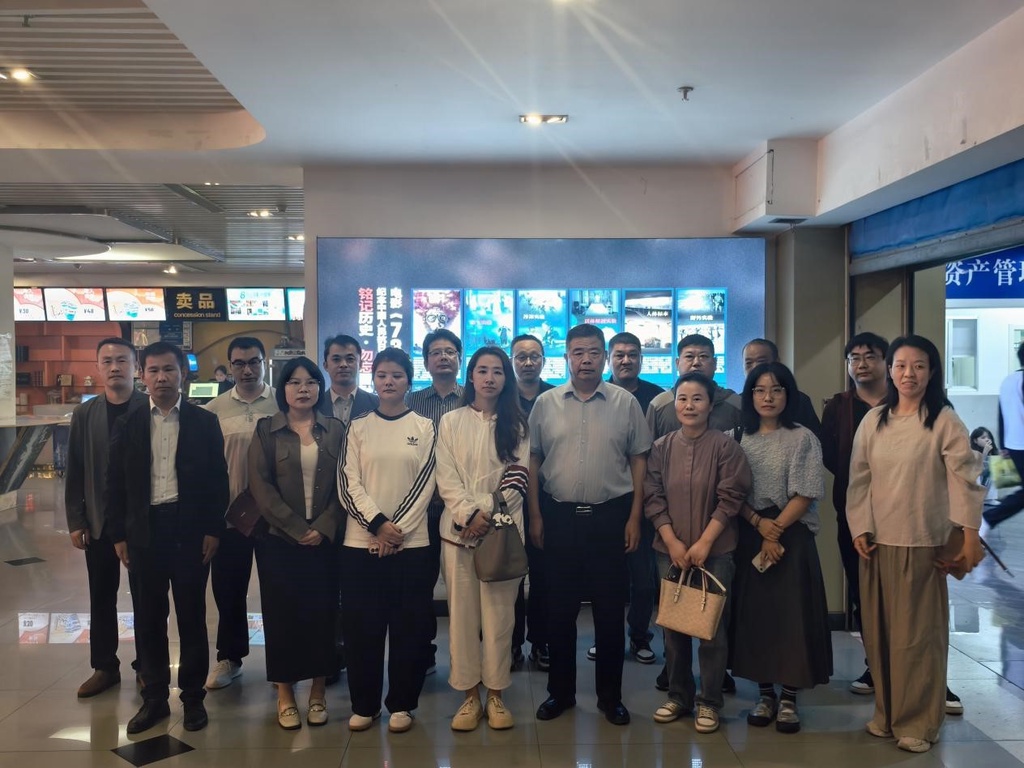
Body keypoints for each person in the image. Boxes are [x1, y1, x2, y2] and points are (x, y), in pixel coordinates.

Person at [847, 335, 985, 754]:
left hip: (923, 542)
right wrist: (860, 527)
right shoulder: (875, 420)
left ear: (932, 371)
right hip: (877, 542)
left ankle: (918, 723)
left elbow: (964, 480)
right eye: (901, 365)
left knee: (918, 639)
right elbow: (860, 479)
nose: (909, 374)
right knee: (880, 636)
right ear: (890, 370)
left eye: (919, 366)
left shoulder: (943, 420)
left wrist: (968, 535)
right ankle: (887, 714)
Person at [528, 323, 652, 726]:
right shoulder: (545, 403)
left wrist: (634, 516)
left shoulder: (625, 403)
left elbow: (638, 459)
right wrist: (536, 514)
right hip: (559, 517)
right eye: (578, 352)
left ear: (604, 357)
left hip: (610, 517)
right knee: (559, 612)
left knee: (609, 611)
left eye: (594, 352)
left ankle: (610, 698)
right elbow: (533, 459)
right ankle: (560, 693)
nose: (586, 360)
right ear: (566, 357)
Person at [107, 341, 229, 734]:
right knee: (148, 617)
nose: (162, 378)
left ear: (183, 374)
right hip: (144, 532)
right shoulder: (128, 423)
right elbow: (116, 483)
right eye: (154, 370)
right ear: (142, 375)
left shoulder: (203, 422)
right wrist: (119, 533)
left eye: (169, 370)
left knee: (192, 616)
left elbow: (218, 481)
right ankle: (155, 698)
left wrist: (213, 529)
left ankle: (193, 698)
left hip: (189, 529)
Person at [644, 371, 752, 734]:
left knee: (711, 630)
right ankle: (679, 695)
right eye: (682, 399)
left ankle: (709, 701)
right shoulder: (661, 448)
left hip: (715, 551)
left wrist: (705, 542)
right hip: (669, 551)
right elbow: (653, 497)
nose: (689, 405)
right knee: (673, 627)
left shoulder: (726, 447)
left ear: (710, 404)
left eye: (697, 399)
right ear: (674, 404)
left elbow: (731, 498)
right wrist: (672, 541)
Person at [729, 361, 831, 735]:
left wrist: (774, 532)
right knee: (757, 616)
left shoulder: (803, 438)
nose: (768, 397)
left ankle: (789, 697)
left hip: (792, 535)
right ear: (750, 395)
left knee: (792, 617)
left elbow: (807, 492)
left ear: (789, 395)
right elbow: (730, 492)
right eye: (759, 390)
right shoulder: (736, 437)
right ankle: (764, 694)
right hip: (750, 532)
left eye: (776, 389)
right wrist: (759, 524)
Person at [338, 347, 437, 734]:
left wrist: (395, 531)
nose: (389, 381)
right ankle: (364, 704)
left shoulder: (425, 427)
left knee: (409, 628)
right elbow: (348, 483)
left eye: (397, 375)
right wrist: (378, 524)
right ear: (373, 380)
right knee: (362, 628)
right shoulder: (358, 426)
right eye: (382, 375)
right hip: (360, 544)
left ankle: (402, 703)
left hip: (412, 545)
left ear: (409, 381)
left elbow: (426, 484)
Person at [436, 346, 529, 731]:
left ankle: (496, 694)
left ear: (506, 379)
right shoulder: (450, 422)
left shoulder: (517, 425)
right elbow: (446, 477)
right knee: (461, 618)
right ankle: (469, 696)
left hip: (501, 534)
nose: (490, 378)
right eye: (482, 370)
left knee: (499, 618)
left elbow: (518, 480)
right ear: (471, 376)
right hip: (458, 536)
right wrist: (467, 516)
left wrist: (484, 514)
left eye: (497, 371)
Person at [248, 356, 344, 729]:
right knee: (281, 616)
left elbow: (345, 484)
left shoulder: (335, 429)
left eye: (311, 382)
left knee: (322, 615)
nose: (303, 389)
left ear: (320, 387)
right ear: (283, 388)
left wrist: (323, 526)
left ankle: (318, 692)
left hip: (324, 539)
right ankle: (285, 693)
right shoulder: (266, 429)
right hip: (278, 541)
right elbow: (260, 485)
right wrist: (295, 528)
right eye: (294, 382)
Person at [65, 337, 148, 699]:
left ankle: (147, 665)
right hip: (99, 521)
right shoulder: (85, 414)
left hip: (142, 522)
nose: (115, 367)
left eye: (122, 360)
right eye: (107, 361)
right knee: (101, 596)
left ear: (136, 367)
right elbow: (75, 469)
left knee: (147, 598)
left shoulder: (149, 407)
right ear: (98, 368)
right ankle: (104, 667)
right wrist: (76, 519)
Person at [203, 337, 279, 691]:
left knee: (279, 590)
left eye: (254, 362)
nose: (247, 370)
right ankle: (229, 657)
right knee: (229, 589)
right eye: (239, 363)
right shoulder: (213, 409)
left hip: (276, 517)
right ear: (230, 366)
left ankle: (283, 659)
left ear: (264, 362)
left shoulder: (282, 402)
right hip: (231, 516)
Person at [588, 331, 663, 666]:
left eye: (633, 354)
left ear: (642, 359)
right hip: (606, 503)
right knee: (604, 579)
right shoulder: (595, 394)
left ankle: (639, 636)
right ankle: (605, 637)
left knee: (644, 580)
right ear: (609, 358)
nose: (626, 360)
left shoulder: (657, 397)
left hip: (645, 502)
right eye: (619, 355)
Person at [820, 332, 889, 691]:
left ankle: (924, 674)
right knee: (863, 592)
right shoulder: (839, 407)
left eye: (870, 356)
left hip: (900, 513)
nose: (862, 364)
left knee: (909, 597)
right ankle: (875, 666)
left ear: (886, 362)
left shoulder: (904, 402)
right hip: (853, 513)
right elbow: (831, 457)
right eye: (854, 358)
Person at [407, 328, 464, 675]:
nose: (443, 357)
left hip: (463, 511)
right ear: (426, 361)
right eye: (436, 352)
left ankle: (470, 654)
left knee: (467, 588)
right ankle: (424, 652)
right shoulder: (411, 402)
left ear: (460, 358)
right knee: (419, 586)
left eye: (449, 351)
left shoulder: (473, 398)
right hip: (423, 511)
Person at [509, 334, 555, 671]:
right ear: (512, 361)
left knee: (544, 576)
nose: (528, 362)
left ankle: (541, 641)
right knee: (507, 574)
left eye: (534, 356)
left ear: (544, 360)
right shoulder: (501, 398)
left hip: (547, 501)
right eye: (521, 356)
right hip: (505, 501)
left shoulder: (556, 398)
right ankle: (509, 644)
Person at [646, 334, 742, 441]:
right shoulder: (659, 405)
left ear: (715, 363)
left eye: (703, 356)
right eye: (689, 357)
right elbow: (649, 448)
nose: (696, 363)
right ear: (677, 363)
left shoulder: (736, 404)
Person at [742, 338, 822, 438]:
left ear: (777, 362)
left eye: (761, 361)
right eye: (748, 363)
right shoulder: (738, 402)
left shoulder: (799, 400)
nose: (755, 367)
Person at [984, 340, 1024, 529]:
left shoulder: (1008, 381)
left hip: (1013, 446)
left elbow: (1001, 415)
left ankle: (989, 519)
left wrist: (1003, 445)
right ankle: (989, 518)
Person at [319, 334, 379, 426]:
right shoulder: (315, 405)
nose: (343, 364)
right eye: (336, 359)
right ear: (325, 365)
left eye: (350, 359)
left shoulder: (377, 404)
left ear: (360, 364)